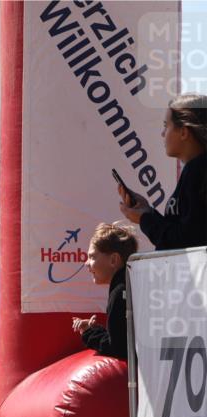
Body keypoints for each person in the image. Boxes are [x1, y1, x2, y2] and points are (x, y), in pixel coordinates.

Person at [118, 94, 206, 250]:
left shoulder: (198, 171)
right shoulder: (194, 170)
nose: (163, 133)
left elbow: (187, 242)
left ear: (184, 132)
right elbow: (181, 232)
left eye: (166, 125)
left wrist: (145, 219)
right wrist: (148, 212)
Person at [71, 223, 139, 360]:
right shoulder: (133, 284)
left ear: (113, 260)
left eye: (92, 257)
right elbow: (123, 338)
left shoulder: (120, 292)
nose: (86, 263)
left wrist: (89, 333)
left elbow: (118, 348)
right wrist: (94, 329)